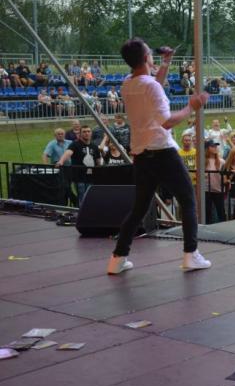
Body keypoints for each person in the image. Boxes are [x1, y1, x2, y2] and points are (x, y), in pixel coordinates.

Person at [106, 38, 212, 275]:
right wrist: (192, 106)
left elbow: (153, 87)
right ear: (146, 58)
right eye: (151, 54)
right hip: (162, 151)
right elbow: (167, 121)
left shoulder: (127, 83)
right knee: (188, 200)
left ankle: (117, 258)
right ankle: (191, 254)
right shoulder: (149, 86)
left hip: (141, 154)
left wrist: (165, 63)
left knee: (139, 208)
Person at [56, 126, 103, 204]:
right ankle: (81, 210)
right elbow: (68, 153)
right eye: (84, 132)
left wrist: (100, 172)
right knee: (82, 195)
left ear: (91, 133)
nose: (87, 133)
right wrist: (61, 161)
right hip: (79, 176)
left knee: (90, 195)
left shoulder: (94, 146)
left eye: (88, 131)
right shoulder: (75, 144)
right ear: (80, 134)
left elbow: (98, 160)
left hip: (91, 176)